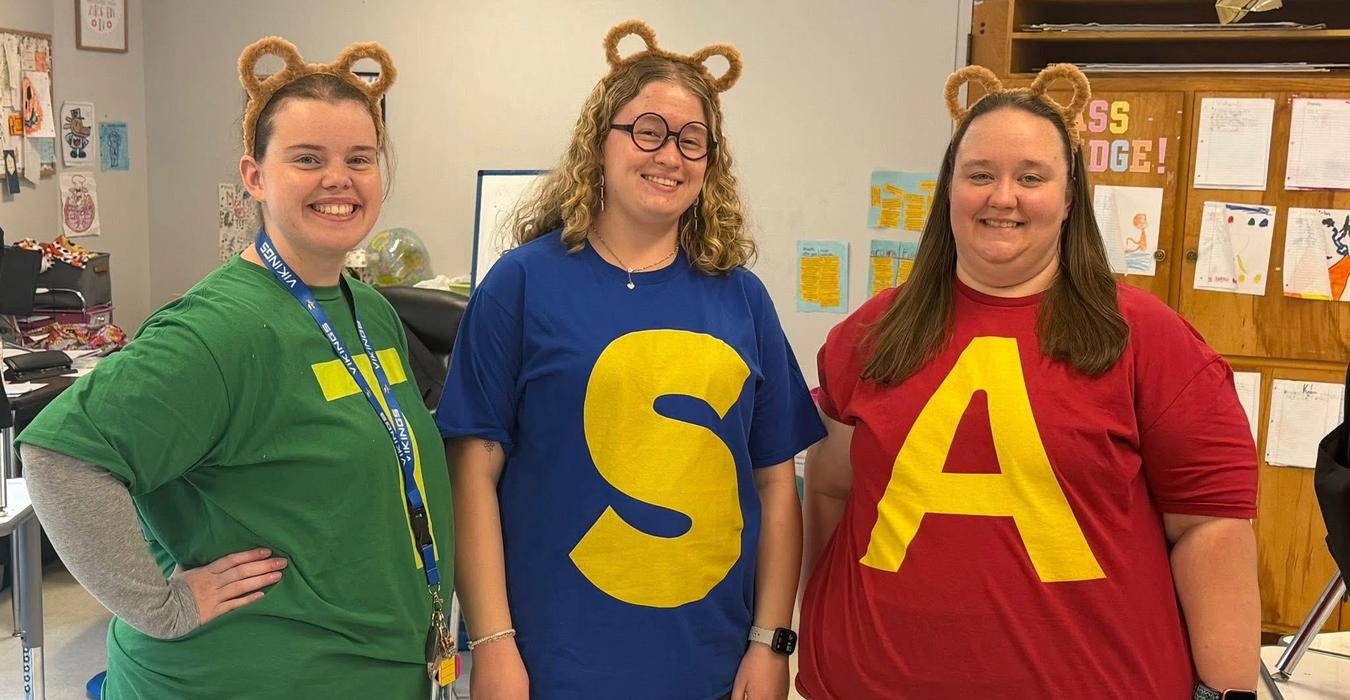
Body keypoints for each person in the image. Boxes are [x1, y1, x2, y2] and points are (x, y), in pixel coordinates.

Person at [797, 64, 1260, 700]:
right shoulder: (873, 333)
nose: (1003, 197)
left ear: (1069, 199)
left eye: (1032, 177)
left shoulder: (1151, 342)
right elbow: (829, 488)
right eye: (979, 174)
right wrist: (812, 633)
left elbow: (1211, 527)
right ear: (949, 191)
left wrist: (1228, 692)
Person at [18, 36, 454, 699]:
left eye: (359, 159)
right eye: (307, 158)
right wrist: (160, 606)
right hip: (242, 679)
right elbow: (60, 457)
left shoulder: (367, 309)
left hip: (372, 666)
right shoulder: (219, 328)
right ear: (254, 176)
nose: (339, 178)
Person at [436, 20, 824, 700]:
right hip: (553, 664)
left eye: (692, 140)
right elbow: (472, 472)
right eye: (647, 131)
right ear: (600, 143)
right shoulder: (522, 284)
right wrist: (492, 644)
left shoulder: (742, 298)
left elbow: (774, 484)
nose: (669, 154)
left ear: (710, 163)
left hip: (710, 664)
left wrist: (771, 642)